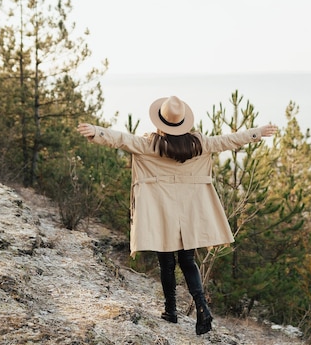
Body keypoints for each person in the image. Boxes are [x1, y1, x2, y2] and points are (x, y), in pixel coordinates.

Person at [77, 95, 277, 335]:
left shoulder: (149, 145)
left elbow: (121, 139)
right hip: (190, 211)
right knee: (188, 261)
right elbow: (229, 141)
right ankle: (201, 306)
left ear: (160, 121)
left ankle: (171, 310)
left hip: (162, 209)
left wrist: (96, 132)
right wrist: (257, 132)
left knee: (167, 262)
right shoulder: (199, 144)